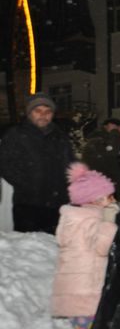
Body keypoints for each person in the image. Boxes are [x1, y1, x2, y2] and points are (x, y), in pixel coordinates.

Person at [52, 163, 118, 329]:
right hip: (85, 290)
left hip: (71, 290)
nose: (110, 200)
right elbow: (100, 248)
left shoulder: (71, 218)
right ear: (93, 199)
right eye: (106, 196)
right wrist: (109, 221)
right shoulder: (91, 219)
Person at [0, 93, 74, 234]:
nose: (43, 115)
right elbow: (5, 164)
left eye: (48, 112)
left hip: (58, 203)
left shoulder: (60, 137)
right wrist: (27, 183)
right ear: (29, 113)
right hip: (28, 204)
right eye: (38, 111)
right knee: (31, 249)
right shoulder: (16, 135)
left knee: (55, 248)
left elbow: (70, 164)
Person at [81, 118, 120, 200]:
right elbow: (111, 150)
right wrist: (115, 132)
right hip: (100, 194)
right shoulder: (97, 142)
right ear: (110, 127)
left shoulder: (103, 143)